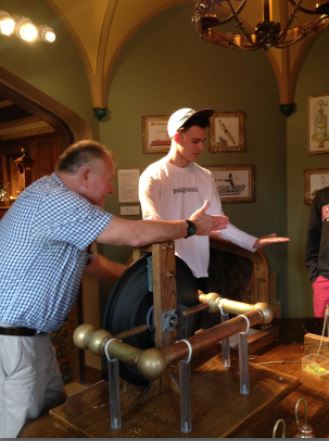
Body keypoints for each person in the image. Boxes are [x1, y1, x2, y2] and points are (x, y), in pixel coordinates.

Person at [0, 139, 229, 438]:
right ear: (85, 175)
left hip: (33, 339)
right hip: (14, 341)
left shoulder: (53, 200)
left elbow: (94, 265)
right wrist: (190, 226)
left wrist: (153, 287)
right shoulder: (55, 200)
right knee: (18, 429)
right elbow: (132, 234)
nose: (110, 189)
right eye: (107, 179)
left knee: (50, 415)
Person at [139, 107, 289, 292]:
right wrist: (189, 226)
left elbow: (218, 224)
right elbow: (152, 225)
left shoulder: (205, 176)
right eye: (195, 141)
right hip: (167, 272)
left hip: (199, 271)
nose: (201, 148)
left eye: (202, 141)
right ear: (177, 137)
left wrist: (253, 242)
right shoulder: (153, 176)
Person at [305, 185, 329, 318]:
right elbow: (313, 236)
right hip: (325, 280)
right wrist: (315, 276)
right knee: (323, 336)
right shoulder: (323, 196)